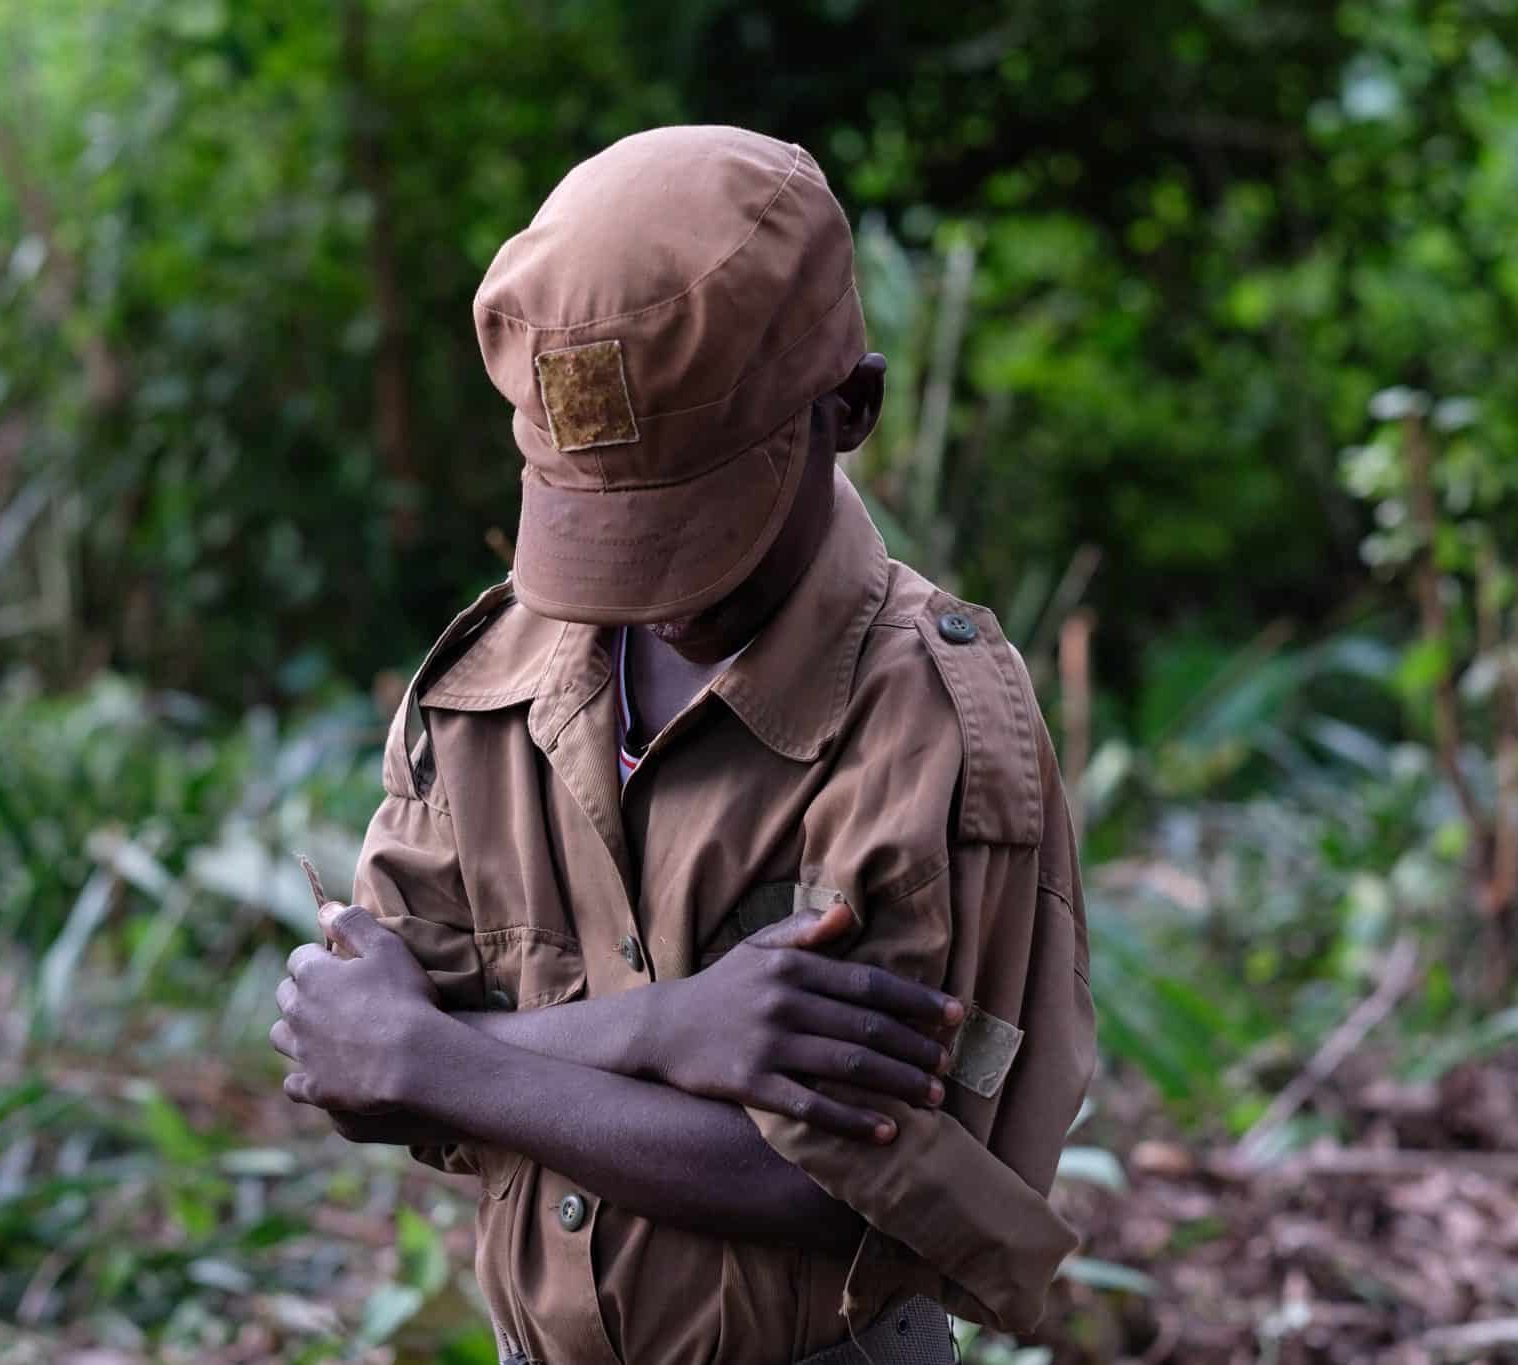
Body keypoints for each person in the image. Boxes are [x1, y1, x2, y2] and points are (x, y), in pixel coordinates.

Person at [271, 125, 1095, 1365]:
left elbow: (837, 1185)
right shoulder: (485, 688)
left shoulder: (925, 715)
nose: (647, 593)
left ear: (848, 410)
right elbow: (358, 1070)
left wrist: (439, 1058)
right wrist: (666, 1034)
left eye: (696, 522)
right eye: (595, 524)